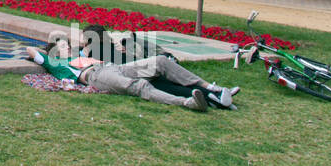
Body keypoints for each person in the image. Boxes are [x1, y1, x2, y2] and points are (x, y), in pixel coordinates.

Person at [26, 40, 238, 111]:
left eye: (68, 43)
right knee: (138, 87)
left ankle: (211, 88)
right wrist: (51, 53)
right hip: (94, 77)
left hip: (112, 67)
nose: (68, 46)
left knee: (161, 62)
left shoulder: (81, 54)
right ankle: (187, 103)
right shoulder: (57, 63)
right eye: (63, 46)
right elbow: (31, 51)